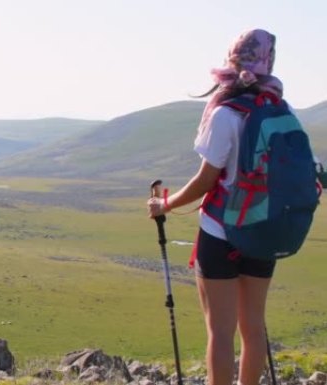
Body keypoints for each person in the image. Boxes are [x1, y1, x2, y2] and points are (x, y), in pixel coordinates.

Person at [147, 29, 285, 385]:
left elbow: (207, 180)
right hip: (263, 230)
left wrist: (166, 205)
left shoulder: (225, 113)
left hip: (220, 232)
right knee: (254, 329)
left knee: (220, 333)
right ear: (267, 62)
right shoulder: (278, 109)